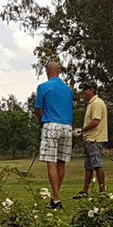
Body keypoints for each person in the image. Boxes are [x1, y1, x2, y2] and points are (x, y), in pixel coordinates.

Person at [33, 60, 75, 209]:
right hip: (67, 127)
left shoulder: (43, 87)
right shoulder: (68, 89)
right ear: (59, 71)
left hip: (51, 125)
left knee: (51, 162)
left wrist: (41, 123)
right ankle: (55, 196)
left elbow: (39, 110)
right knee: (61, 161)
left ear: (46, 71)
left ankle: (56, 198)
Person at [73, 82, 107, 198]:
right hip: (89, 139)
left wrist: (81, 130)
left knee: (97, 165)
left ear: (92, 90)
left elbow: (96, 122)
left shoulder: (97, 103)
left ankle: (102, 191)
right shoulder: (91, 104)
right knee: (88, 167)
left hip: (95, 139)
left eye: (85, 90)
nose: (83, 93)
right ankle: (85, 191)